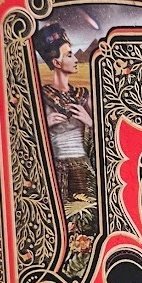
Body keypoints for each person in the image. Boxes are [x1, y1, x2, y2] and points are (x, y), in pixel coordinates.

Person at [32, 22, 95, 208]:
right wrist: (43, 125)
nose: (75, 59)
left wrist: (90, 121)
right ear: (56, 63)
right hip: (55, 171)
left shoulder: (83, 95)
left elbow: (107, 131)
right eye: (69, 55)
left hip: (84, 170)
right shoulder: (41, 96)